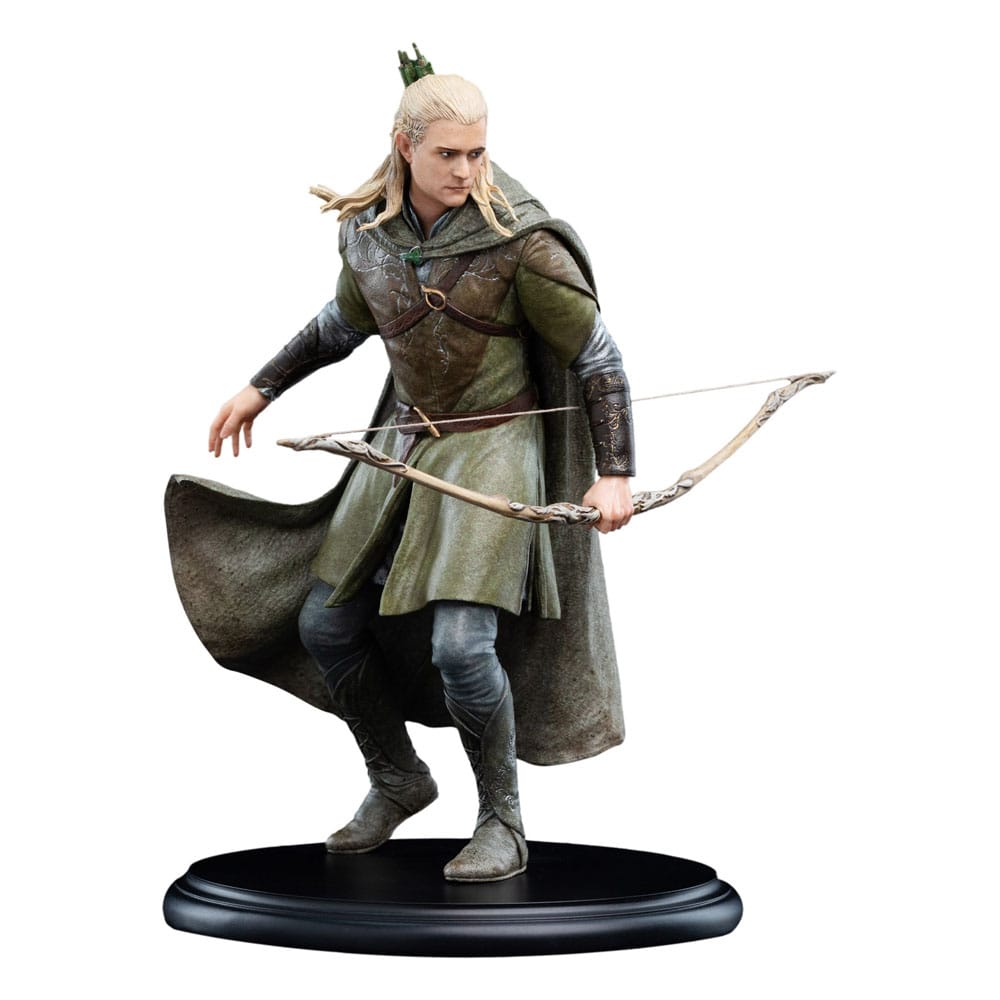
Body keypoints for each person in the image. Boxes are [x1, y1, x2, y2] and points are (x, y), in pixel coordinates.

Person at [199, 62, 635, 883]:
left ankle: (502, 820)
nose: (467, 170)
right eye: (448, 154)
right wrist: (261, 387)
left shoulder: (521, 242)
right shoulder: (369, 234)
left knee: (463, 647)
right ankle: (397, 777)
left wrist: (614, 472)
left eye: (478, 152)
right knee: (325, 624)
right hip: (402, 443)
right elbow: (341, 324)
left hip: (494, 447)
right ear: (405, 147)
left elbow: (598, 358)